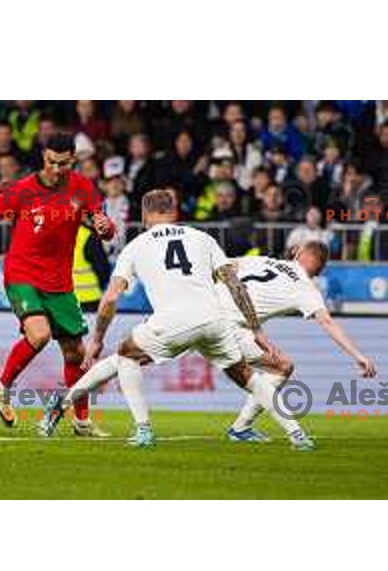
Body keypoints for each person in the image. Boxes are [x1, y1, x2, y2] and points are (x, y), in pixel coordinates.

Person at [44, 189, 316, 449]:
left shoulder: (136, 246)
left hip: (172, 322)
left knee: (126, 354)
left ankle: (143, 430)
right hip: (214, 321)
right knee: (250, 379)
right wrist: (257, 330)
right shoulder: (202, 237)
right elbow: (235, 284)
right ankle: (298, 435)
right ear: (173, 212)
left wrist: (97, 339)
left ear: (145, 215)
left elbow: (111, 298)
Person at [0, 133, 116, 436]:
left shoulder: (83, 188)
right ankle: (2, 386)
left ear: (73, 160)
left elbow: (105, 228)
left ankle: (82, 421)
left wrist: (106, 227)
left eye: (63, 163)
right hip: (22, 274)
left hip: (60, 282)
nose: (56, 169)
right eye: (51, 162)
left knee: (75, 353)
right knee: (40, 334)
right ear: (43, 158)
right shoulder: (22, 191)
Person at [222, 241, 376, 440]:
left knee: (171, 348)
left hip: (212, 312)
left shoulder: (265, 261)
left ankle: (241, 428)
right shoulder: (306, 288)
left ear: (300, 253)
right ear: (319, 269)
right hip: (231, 326)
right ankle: (244, 428)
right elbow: (327, 322)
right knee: (282, 367)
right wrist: (359, 356)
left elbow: (224, 266)